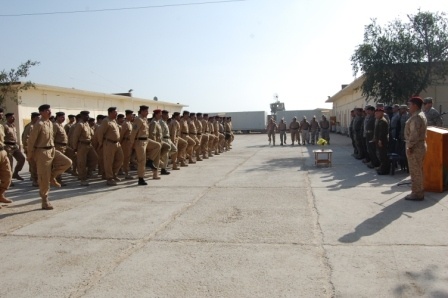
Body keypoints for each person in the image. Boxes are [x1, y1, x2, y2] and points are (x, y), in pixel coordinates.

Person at [27, 104, 72, 210]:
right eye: (47, 111)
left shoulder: (50, 123)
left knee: (67, 162)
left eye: (50, 110)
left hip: (52, 149)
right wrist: (29, 155)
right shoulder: (39, 124)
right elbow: (31, 141)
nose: (50, 112)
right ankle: (45, 200)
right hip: (42, 152)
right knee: (43, 177)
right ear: (42, 112)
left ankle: (52, 176)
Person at [404, 96, 427, 201]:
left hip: (415, 147)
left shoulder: (416, 117)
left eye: (410, 104)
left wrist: (409, 146)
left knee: (415, 171)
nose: (408, 107)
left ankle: (417, 193)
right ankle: (418, 191)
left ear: (415, 105)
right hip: (419, 146)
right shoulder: (419, 115)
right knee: (417, 170)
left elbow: (414, 134)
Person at [96, 107, 124, 186]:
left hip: (117, 144)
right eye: (115, 112)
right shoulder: (106, 121)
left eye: (116, 112)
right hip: (109, 143)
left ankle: (114, 174)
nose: (116, 114)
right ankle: (109, 178)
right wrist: (101, 143)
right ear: (110, 113)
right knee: (108, 161)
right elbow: (100, 133)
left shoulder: (114, 121)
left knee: (120, 158)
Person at [72, 110, 98, 186]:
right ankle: (82, 178)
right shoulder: (80, 124)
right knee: (81, 162)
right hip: (82, 145)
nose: (88, 117)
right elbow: (75, 137)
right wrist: (75, 147)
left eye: (88, 115)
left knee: (95, 158)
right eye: (86, 116)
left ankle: (89, 173)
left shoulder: (87, 124)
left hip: (89, 145)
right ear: (82, 116)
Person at [130, 105, 151, 186]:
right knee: (141, 161)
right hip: (140, 142)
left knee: (157, 146)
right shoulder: (138, 119)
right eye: (146, 111)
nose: (147, 112)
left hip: (146, 141)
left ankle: (150, 161)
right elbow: (133, 132)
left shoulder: (144, 119)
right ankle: (140, 178)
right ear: (142, 111)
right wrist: (132, 143)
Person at [4, 112, 26, 181]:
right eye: (12, 117)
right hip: (8, 146)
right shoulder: (5, 127)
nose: (14, 118)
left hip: (15, 146)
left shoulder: (13, 126)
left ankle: (15, 173)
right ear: (7, 118)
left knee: (22, 159)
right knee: (9, 163)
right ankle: (8, 180)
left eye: (14, 117)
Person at [22, 112, 40, 187]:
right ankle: (34, 180)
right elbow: (25, 138)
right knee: (33, 165)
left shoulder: (36, 126)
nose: (39, 119)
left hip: (36, 149)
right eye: (38, 118)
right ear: (33, 118)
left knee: (36, 165)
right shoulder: (30, 127)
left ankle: (36, 179)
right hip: (31, 149)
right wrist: (27, 149)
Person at [0, 108, 13, 207]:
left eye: (1, 113)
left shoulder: (1, 126)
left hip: (2, 151)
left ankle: (1, 194)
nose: (1, 114)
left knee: (8, 174)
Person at [53, 111, 69, 186]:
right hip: (58, 147)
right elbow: (52, 137)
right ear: (58, 117)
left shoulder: (61, 125)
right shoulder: (55, 125)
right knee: (58, 164)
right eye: (62, 117)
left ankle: (57, 178)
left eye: (64, 117)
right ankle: (57, 179)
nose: (63, 118)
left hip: (63, 147)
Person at [374, 107, 390, 175]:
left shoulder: (383, 121)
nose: (376, 115)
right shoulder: (379, 120)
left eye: (377, 113)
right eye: (375, 113)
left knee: (383, 156)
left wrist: (380, 141)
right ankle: (382, 167)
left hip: (382, 141)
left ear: (381, 113)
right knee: (380, 155)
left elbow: (383, 133)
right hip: (379, 140)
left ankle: (385, 170)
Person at [120, 110, 134, 179]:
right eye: (131, 115)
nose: (132, 116)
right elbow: (122, 134)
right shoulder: (125, 123)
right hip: (125, 142)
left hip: (129, 142)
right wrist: (120, 143)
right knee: (126, 158)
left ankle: (124, 171)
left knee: (127, 158)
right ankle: (126, 173)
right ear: (127, 115)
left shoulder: (129, 123)